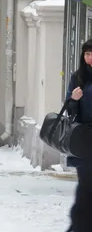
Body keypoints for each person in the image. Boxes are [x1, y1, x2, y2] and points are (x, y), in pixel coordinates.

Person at [65, 39, 92, 232]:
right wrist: (73, 100)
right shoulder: (78, 77)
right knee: (86, 183)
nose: (90, 58)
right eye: (87, 54)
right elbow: (69, 110)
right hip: (85, 136)